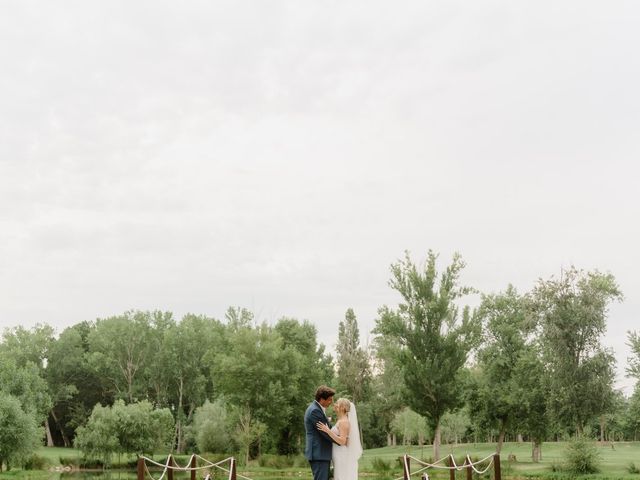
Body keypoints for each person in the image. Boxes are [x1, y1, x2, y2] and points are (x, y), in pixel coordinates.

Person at [316, 398, 363, 480]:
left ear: (343, 407)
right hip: (337, 453)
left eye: (337, 403)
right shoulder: (340, 420)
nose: (335, 404)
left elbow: (342, 441)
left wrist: (327, 430)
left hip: (341, 454)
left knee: (342, 476)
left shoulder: (344, 422)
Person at [304, 385, 336, 480]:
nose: (331, 402)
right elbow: (325, 433)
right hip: (319, 454)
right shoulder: (315, 411)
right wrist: (342, 441)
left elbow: (328, 428)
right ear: (322, 399)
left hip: (321, 454)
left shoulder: (317, 409)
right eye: (330, 399)